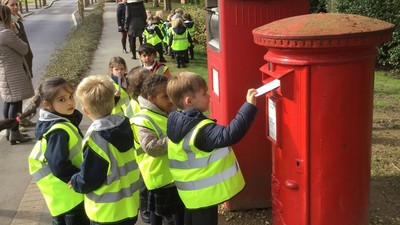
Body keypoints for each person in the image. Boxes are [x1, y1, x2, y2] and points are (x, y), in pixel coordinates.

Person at [166, 72, 258, 225]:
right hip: (204, 196)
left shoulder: (177, 120)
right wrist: (248, 106)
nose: (209, 96)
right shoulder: (200, 130)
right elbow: (230, 134)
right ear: (189, 101)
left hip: (190, 194)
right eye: (204, 93)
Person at [69, 75, 140, 225]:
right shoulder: (125, 124)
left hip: (107, 213)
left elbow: (90, 179)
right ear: (112, 101)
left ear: (85, 110)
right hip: (130, 204)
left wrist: (75, 181)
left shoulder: (95, 139)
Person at [28, 77, 89, 225]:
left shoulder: (61, 122)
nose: (69, 102)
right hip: (69, 197)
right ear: (47, 105)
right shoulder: (58, 131)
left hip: (64, 197)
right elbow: (58, 165)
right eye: (62, 100)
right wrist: (78, 180)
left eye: (70, 96)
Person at [131, 75, 184, 225]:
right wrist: (175, 138)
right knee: (159, 211)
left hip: (173, 174)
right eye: (165, 96)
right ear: (152, 99)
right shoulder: (142, 119)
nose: (170, 100)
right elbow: (151, 148)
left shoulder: (168, 111)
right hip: (160, 176)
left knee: (178, 210)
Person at [0, 4, 34, 145]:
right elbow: (24, 48)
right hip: (13, 73)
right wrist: (14, 31)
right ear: (6, 17)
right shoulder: (6, 33)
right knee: (16, 104)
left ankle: (9, 131)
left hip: (4, 73)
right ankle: (15, 133)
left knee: (9, 102)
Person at [2, 0, 33, 77]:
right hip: (17, 69)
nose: (15, 7)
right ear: (5, 6)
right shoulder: (5, 26)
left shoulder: (18, 22)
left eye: (17, 4)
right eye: (12, 5)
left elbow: (26, 44)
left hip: (27, 62)